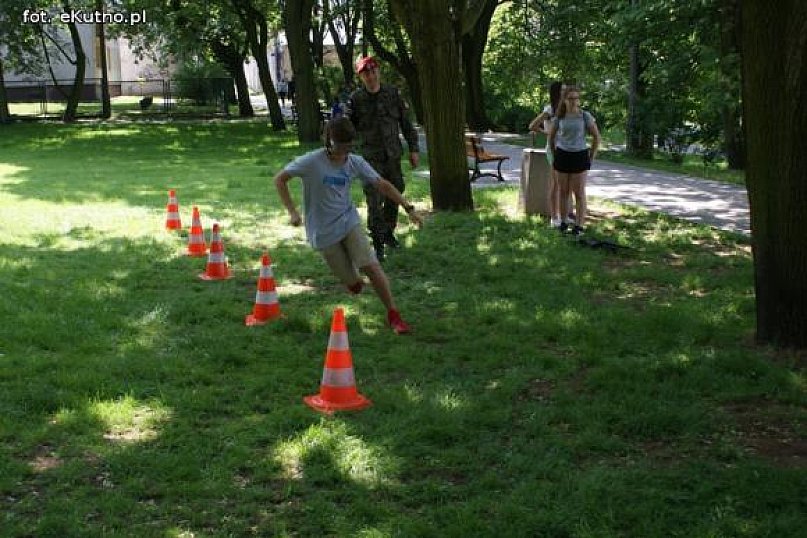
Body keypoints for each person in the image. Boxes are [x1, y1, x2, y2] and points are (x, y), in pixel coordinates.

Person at [274, 117, 423, 335]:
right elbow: (280, 179)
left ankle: (394, 315)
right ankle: (353, 281)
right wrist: (292, 211)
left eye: (348, 147)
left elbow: (382, 185)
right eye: (340, 147)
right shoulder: (311, 161)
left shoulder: (354, 162)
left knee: (371, 265)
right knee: (355, 285)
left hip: (348, 221)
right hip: (323, 231)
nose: (344, 153)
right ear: (329, 141)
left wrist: (409, 208)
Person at [347, 55, 420, 262]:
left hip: (392, 155)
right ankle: (377, 241)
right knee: (374, 199)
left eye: (373, 71)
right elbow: (348, 127)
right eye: (366, 74)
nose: (370, 76)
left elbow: (406, 124)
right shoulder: (356, 99)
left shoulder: (392, 94)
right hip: (370, 159)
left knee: (395, 193)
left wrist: (414, 149)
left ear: (378, 71)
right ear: (361, 77)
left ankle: (388, 231)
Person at [548, 85, 601, 236]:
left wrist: (591, 156)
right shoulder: (559, 117)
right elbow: (551, 138)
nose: (573, 101)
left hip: (580, 156)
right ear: (564, 100)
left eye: (576, 98)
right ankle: (563, 222)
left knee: (579, 193)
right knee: (563, 192)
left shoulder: (585, 116)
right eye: (570, 98)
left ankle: (579, 226)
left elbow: (596, 137)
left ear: (579, 100)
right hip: (562, 156)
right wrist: (555, 154)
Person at [529, 81, 564, 227]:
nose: (566, 93)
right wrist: (548, 133)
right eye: (563, 90)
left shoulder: (567, 109)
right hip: (553, 150)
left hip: (566, 149)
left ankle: (564, 214)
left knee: (565, 184)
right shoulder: (550, 110)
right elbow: (532, 126)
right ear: (557, 93)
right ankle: (554, 217)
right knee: (556, 183)